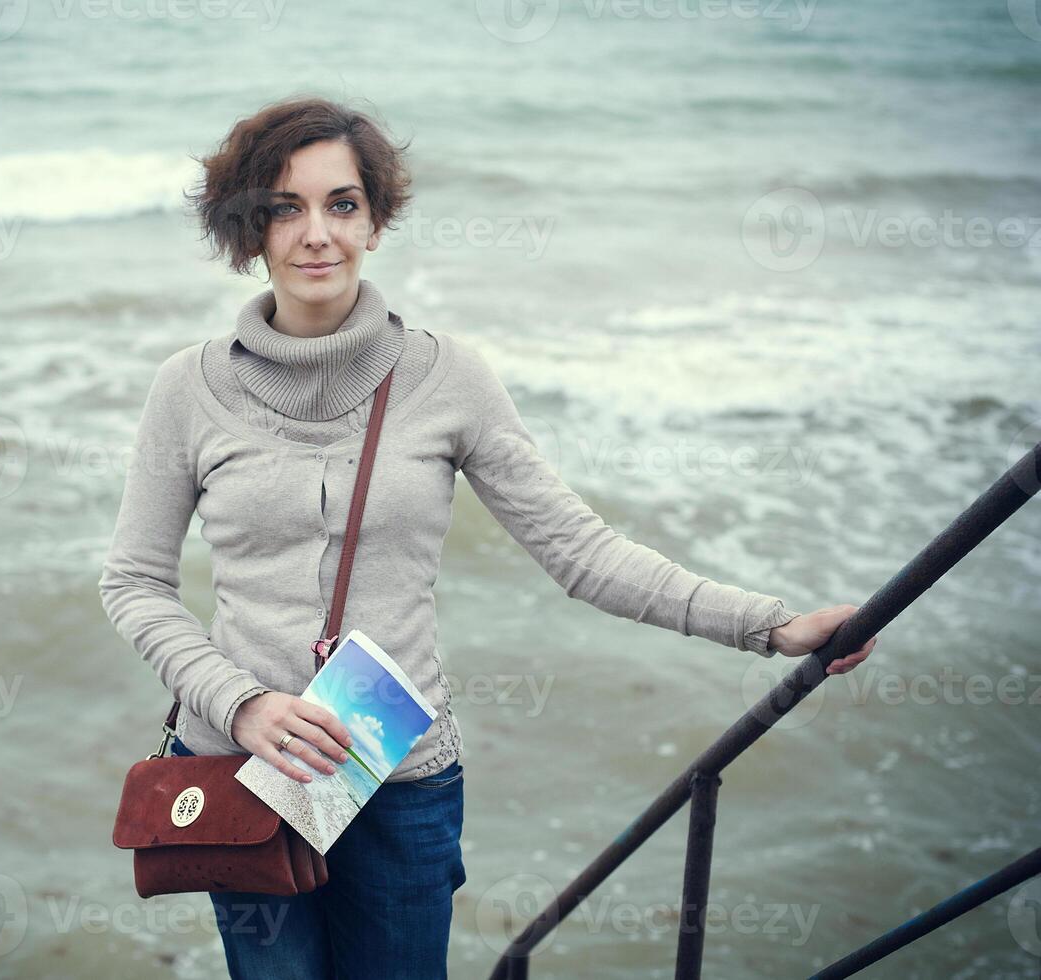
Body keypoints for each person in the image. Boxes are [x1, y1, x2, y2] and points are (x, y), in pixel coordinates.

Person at [99, 95, 879, 980]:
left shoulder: (447, 377)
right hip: (244, 776)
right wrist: (240, 703)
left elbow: (579, 552)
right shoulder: (188, 388)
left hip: (398, 780)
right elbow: (132, 582)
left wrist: (770, 625)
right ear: (249, 230)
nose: (316, 232)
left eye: (341, 204)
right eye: (285, 207)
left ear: (376, 221)